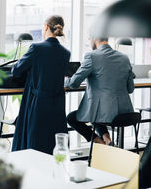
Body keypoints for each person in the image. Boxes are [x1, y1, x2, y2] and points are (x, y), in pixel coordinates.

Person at [11, 15, 70, 154]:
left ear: (45, 28)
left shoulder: (36, 48)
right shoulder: (66, 53)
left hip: (38, 104)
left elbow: (16, 71)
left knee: (35, 142)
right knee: (51, 142)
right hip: (57, 105)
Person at [65, 37, 134, 145]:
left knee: (72, 118)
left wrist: (65, 81)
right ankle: (107, 140)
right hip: (126, 113)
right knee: (94, 111)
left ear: (95, 38)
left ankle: (99, 142)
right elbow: (130, 89)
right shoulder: (125, 57)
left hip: (105, 114)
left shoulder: (92, 56)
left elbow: (73, 84)